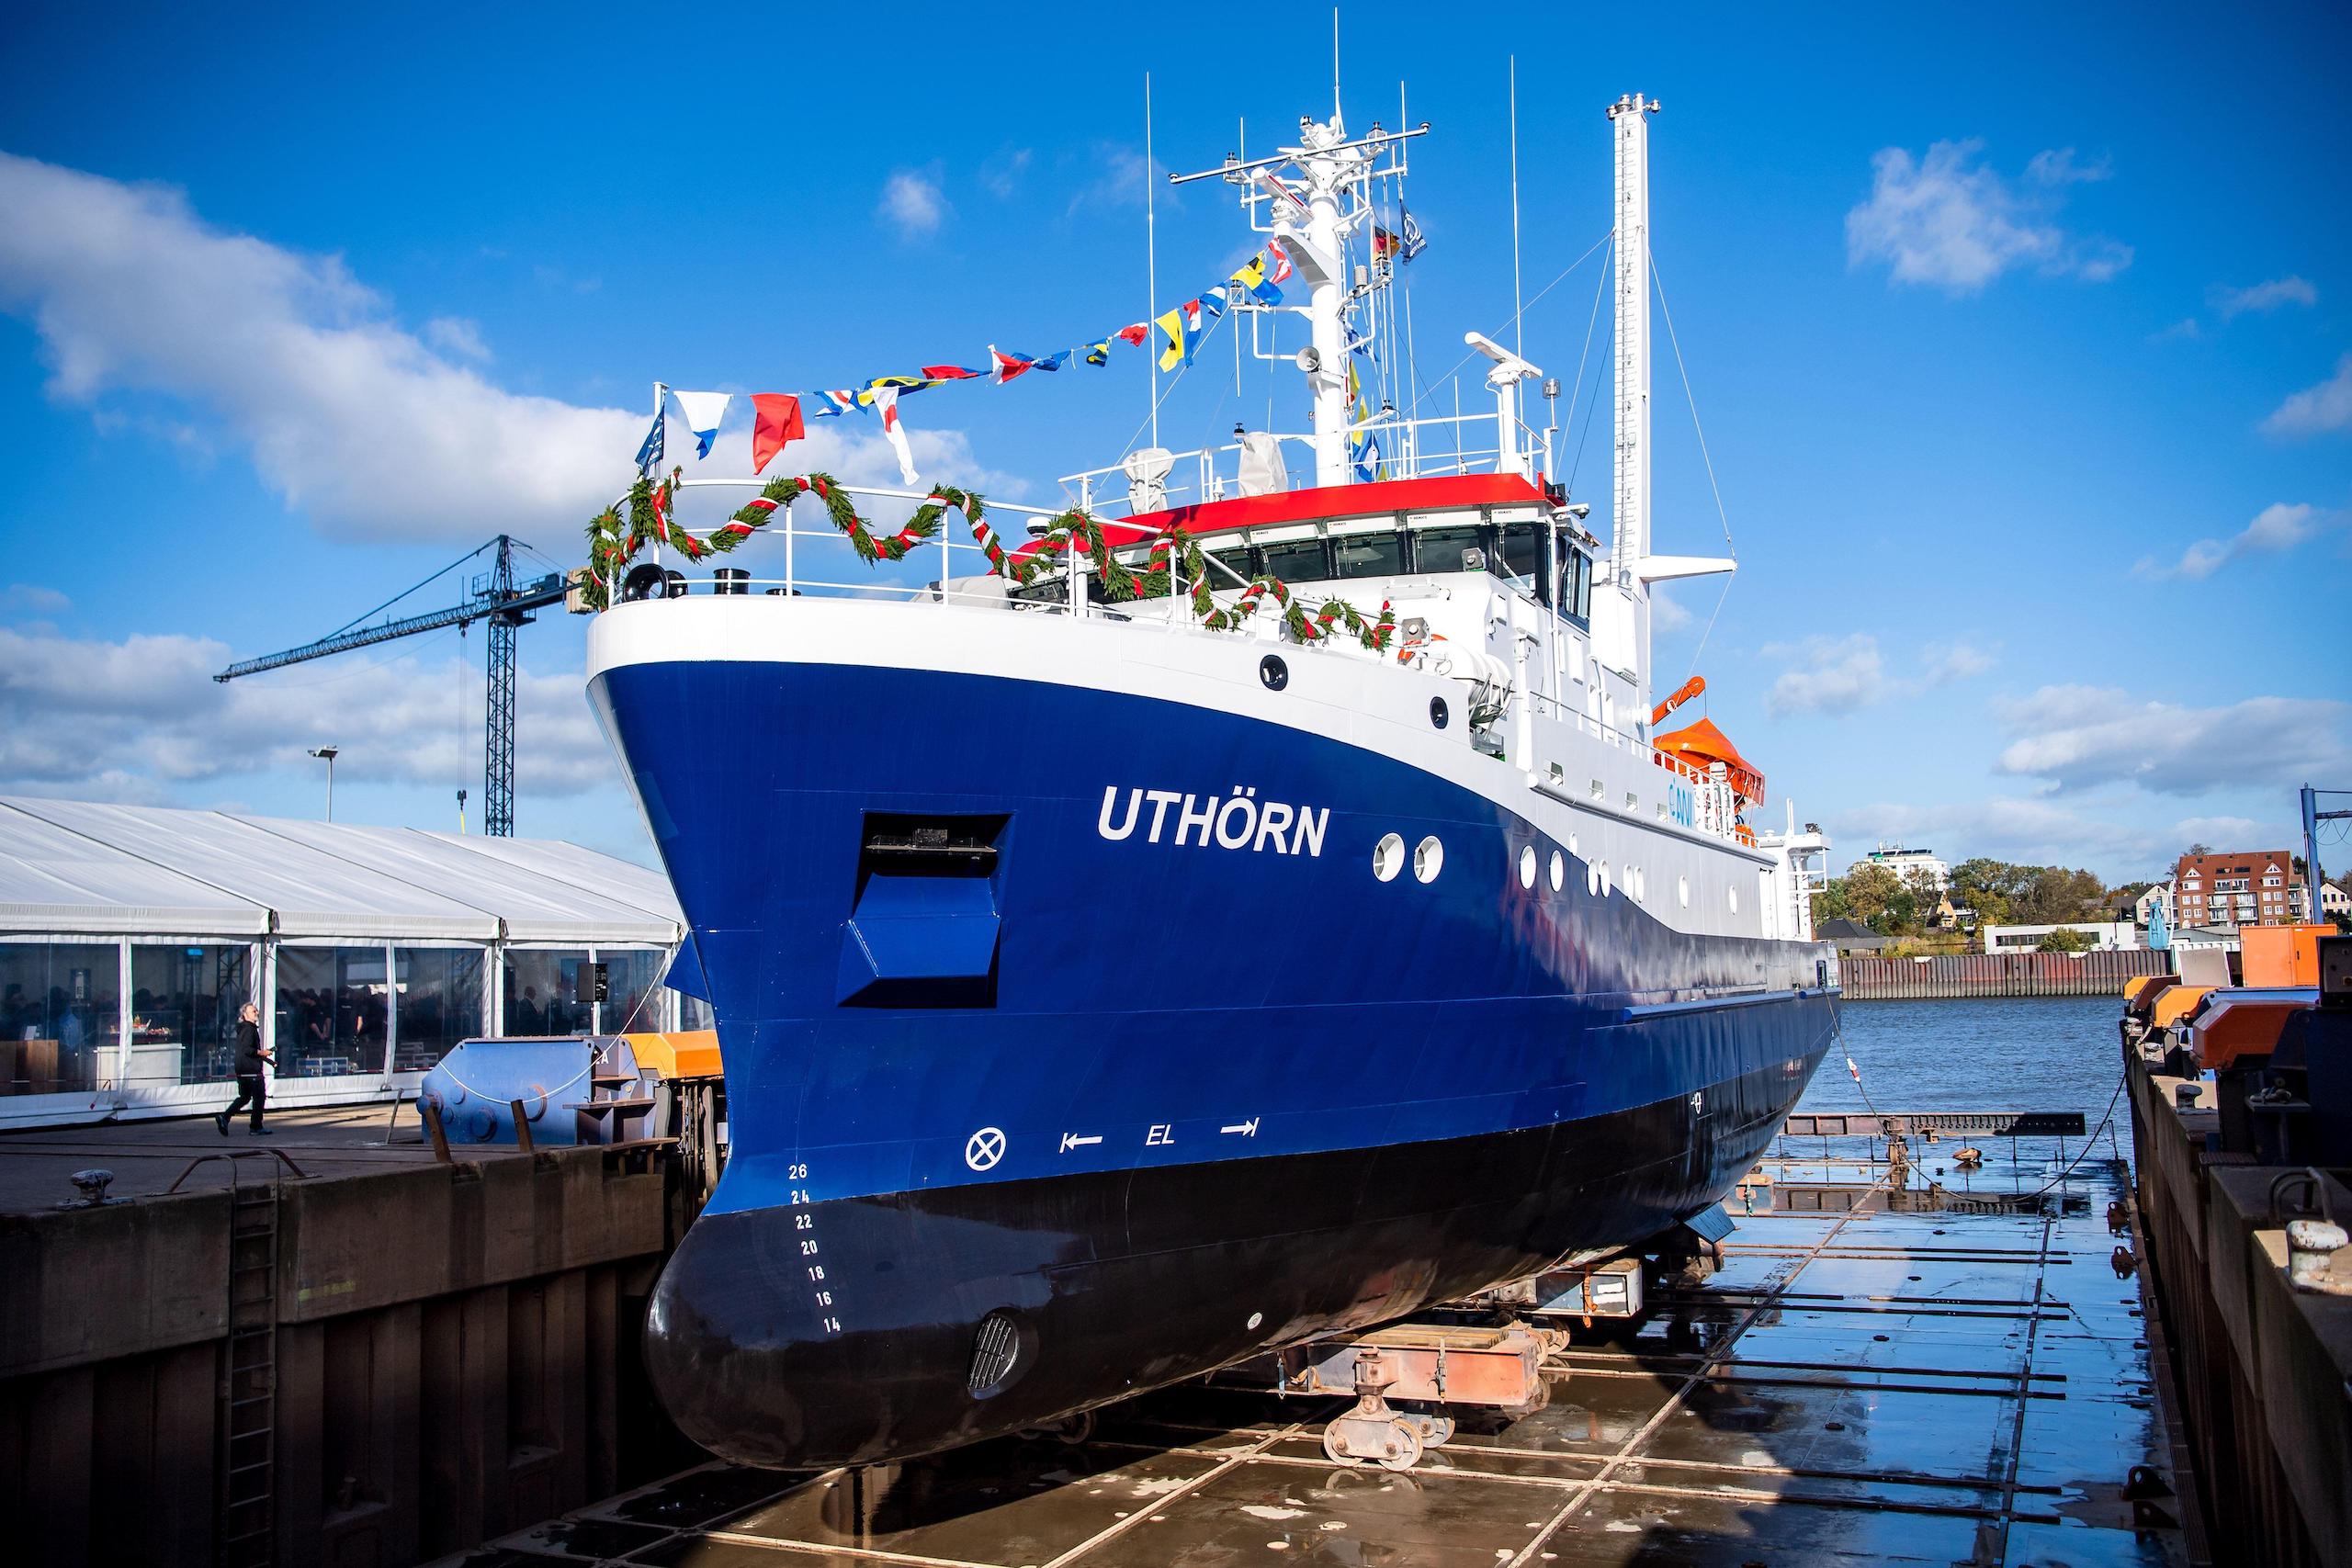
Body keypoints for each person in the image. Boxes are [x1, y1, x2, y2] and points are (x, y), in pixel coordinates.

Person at [214, 1003, 273, 1136]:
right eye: (253, 1011)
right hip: (250, 1068)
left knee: (245, 1097)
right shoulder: (249, 1029)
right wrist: (261, 1052)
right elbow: (247, 1050)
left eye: (256, 1010)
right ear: (245, 1015)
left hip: (243, 1068)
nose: (256, 1012)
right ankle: (256, 1126)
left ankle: (225, 1117)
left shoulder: (245, 1029)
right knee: (259, 1097)